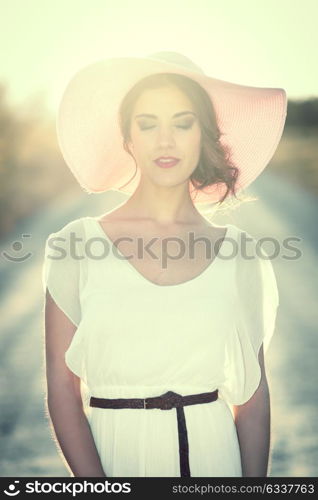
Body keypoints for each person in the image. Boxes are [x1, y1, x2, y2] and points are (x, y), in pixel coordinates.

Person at [42, 51, 287, 477]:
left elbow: (252, 399)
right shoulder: (75, 245)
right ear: (128, 138)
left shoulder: (241, 253)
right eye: (148, 123)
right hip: (118, 459)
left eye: (182, 122)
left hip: (216, 460)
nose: (165, 140)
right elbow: (63, 389)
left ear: (203, 134)